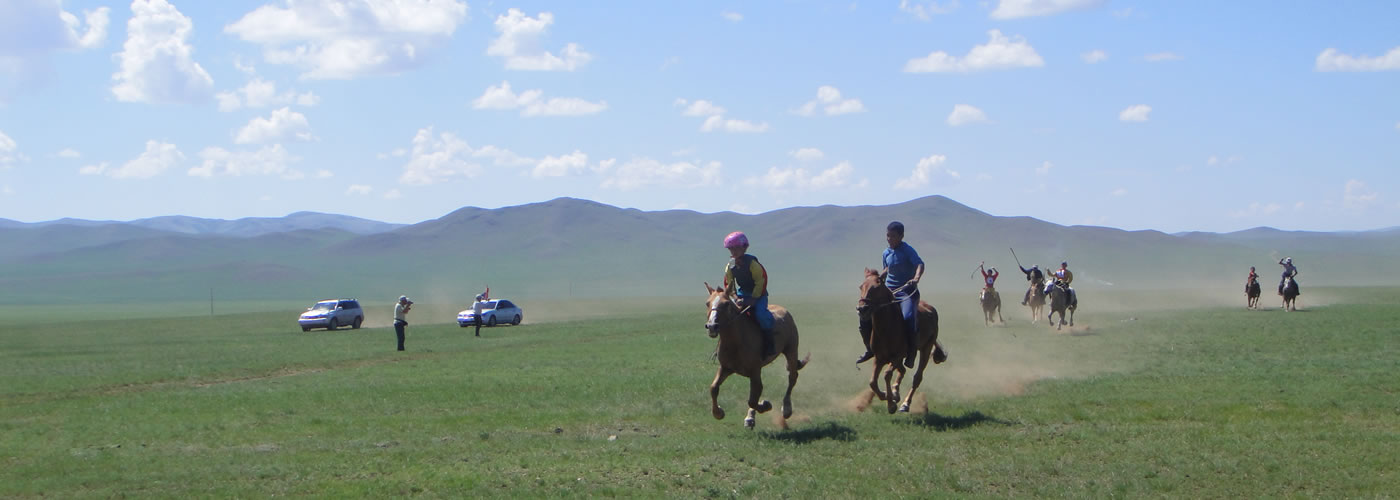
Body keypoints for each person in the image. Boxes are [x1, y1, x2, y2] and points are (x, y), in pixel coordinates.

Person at [857, 221, 924, 368]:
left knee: (908, 318)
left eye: (892, 236)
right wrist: (880, 277)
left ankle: (911, 352)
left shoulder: (907, 250)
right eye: (887, 236)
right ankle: (870, 349)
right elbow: (887, 268)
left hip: (906, 292)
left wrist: (916, 277)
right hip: (889, 292)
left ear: (901, 236)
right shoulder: (886, 252)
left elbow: (920, 264)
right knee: (865, 315)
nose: (889, 239)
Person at [721, 231, 776, 358]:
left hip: (759, 294)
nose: (733, 252)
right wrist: (734, 297)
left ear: (744, 247)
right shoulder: (730, 265)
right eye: (731, 249)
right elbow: (729, 283)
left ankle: (770, 343)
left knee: (760, 314)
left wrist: (754, 299)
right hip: (741, 294)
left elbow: (761, 281)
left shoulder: (752, 264)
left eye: (736, 248)